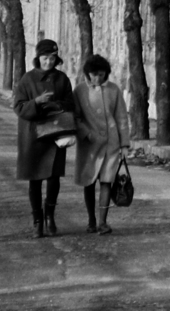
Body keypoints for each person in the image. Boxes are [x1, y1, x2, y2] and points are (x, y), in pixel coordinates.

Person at [12, 39, 75, 238]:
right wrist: (36, 102)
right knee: (35, 179)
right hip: (33, 135)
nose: (48, 62)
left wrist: (56, 105)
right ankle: (37, 221)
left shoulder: (62, 78)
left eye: (52, 58)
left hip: (54, 134)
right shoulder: (27, 79)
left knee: (54, 177)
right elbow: (19, 107)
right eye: (45, 58)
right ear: (38, 58)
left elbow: (70, 104)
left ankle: (50, 216)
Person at [74, 53, 131, 234]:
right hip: (89, 145)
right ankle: (91, 220)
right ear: (87, 73)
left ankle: (102, 222)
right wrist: (85, 133)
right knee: (89, 183)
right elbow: (75, 117)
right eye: (93, 74)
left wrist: (124, 145)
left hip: (110, 144)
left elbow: (122, 118)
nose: (97, 78)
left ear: (106, 73)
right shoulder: (80, 91)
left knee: (107, 182)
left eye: (101, 74)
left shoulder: (114, 90)